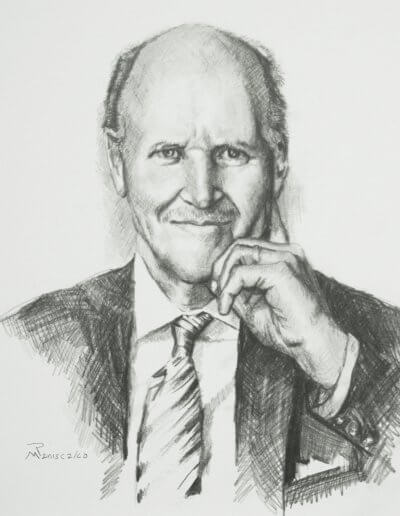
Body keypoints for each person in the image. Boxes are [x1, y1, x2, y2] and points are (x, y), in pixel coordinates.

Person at [1, 24, 400, 514]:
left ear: (278, 161)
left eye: (231, 153)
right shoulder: (25, 348)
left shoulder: (370, 344)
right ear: (118, 163)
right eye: (169, 154)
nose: (202, 192)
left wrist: (335, 364)